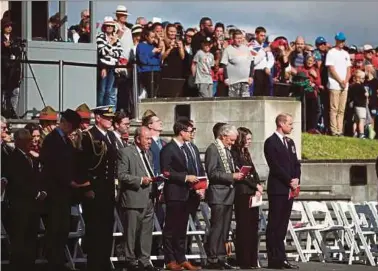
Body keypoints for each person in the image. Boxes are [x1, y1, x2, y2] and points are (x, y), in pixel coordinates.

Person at [39, 109, 82, 271]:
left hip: (64, 193)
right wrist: (68, 181)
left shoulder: (66, 141)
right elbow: (52, 166)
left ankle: (59, 261)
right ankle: (53, 263)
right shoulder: (52, 140)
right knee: (55, 229)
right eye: (72, 127)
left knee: (62, 229)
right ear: (66, 124)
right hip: (54, 192)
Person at [77, 105, 118, 271]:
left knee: (107, 229)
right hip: (94, 190)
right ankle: (94, 265)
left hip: (107, 190)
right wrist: (86, 187)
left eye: (111, 118)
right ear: (98, 118)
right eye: (107, 117)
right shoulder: (88, 136)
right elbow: (81, 165)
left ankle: (104, 263)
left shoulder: (110, 137)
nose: (110, 120)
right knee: (95, 230)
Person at [160, 120, 201, 271]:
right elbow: (165, 172)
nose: (191, 134)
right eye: (190, 131)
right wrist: (184, 178)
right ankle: (170, 259)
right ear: (181, 132)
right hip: (174, 193)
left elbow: (193, 168)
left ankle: (181, 257)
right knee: (171, 228)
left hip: (187, 194)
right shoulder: (169, 149)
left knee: (181, 228)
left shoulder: (187, 149)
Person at [118, 126, 160, 271]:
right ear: (137, 139)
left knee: (146, 232)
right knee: (131, 232)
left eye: (150, 139)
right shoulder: (126, 153)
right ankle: (130, 260)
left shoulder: (148, 154)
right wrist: (141, 180)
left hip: (149, 198)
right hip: (133, 199)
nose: (150, 142)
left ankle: (145, 260)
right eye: (147, 138)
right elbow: (122, 175)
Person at [264, 113, 301, 269]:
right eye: (290, 124)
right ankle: (274, 257)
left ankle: (282, 256)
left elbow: (295, 163)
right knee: (275, 223)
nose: (292, 127)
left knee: (283, 224)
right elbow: (275, 166)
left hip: (289, 189)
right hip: (278, 188)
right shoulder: (271, 142)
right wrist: (288, 180)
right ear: (281, 124)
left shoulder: (290, 142)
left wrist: (296, 179)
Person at [205, 124, 244, 269]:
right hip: (218, 193)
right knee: (217, 227)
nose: (232, 143)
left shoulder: (226, 150)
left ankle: (221, 256)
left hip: (228, 193)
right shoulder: (213, 149)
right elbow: (212, 172)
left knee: (225, 228)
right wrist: (231, 175)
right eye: (231, 140)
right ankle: (213, 257)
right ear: (223, 136)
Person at [7, 129, 46, 271]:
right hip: (20, 207)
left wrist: (42, 191)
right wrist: (36, 193)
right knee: (19, 242)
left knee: (31, 240)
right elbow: (18, 182)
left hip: (33, 207)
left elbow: (38, 178)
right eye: (27, 140)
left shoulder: (31, 158)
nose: (31, 142)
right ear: (18, 142)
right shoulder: (13, 158)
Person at [231, 127, 262, 269]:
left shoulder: (246, 153)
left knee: (253, 226)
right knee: (244, 226)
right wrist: (255, 186)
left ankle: (252, 259)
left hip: (252, 192)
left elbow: (253, 171)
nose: (249, 142)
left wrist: (258, 185)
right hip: (242, 193)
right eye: (247, 139)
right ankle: (243, 259)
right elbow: (241, 174)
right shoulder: (235, 153)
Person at [325, 32, 352, 136]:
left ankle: (340, 130)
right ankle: (334, 130)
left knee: (341, 110)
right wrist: (340, 81)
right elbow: (331, 69)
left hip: (344, 85)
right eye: (340, 40)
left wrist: (345, 80)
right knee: (334, 108)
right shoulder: (331, 53)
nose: (342, 42)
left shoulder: (345, 54)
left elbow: (349, 69)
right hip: (334, 84)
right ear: (336, 40)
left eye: (343, 40)